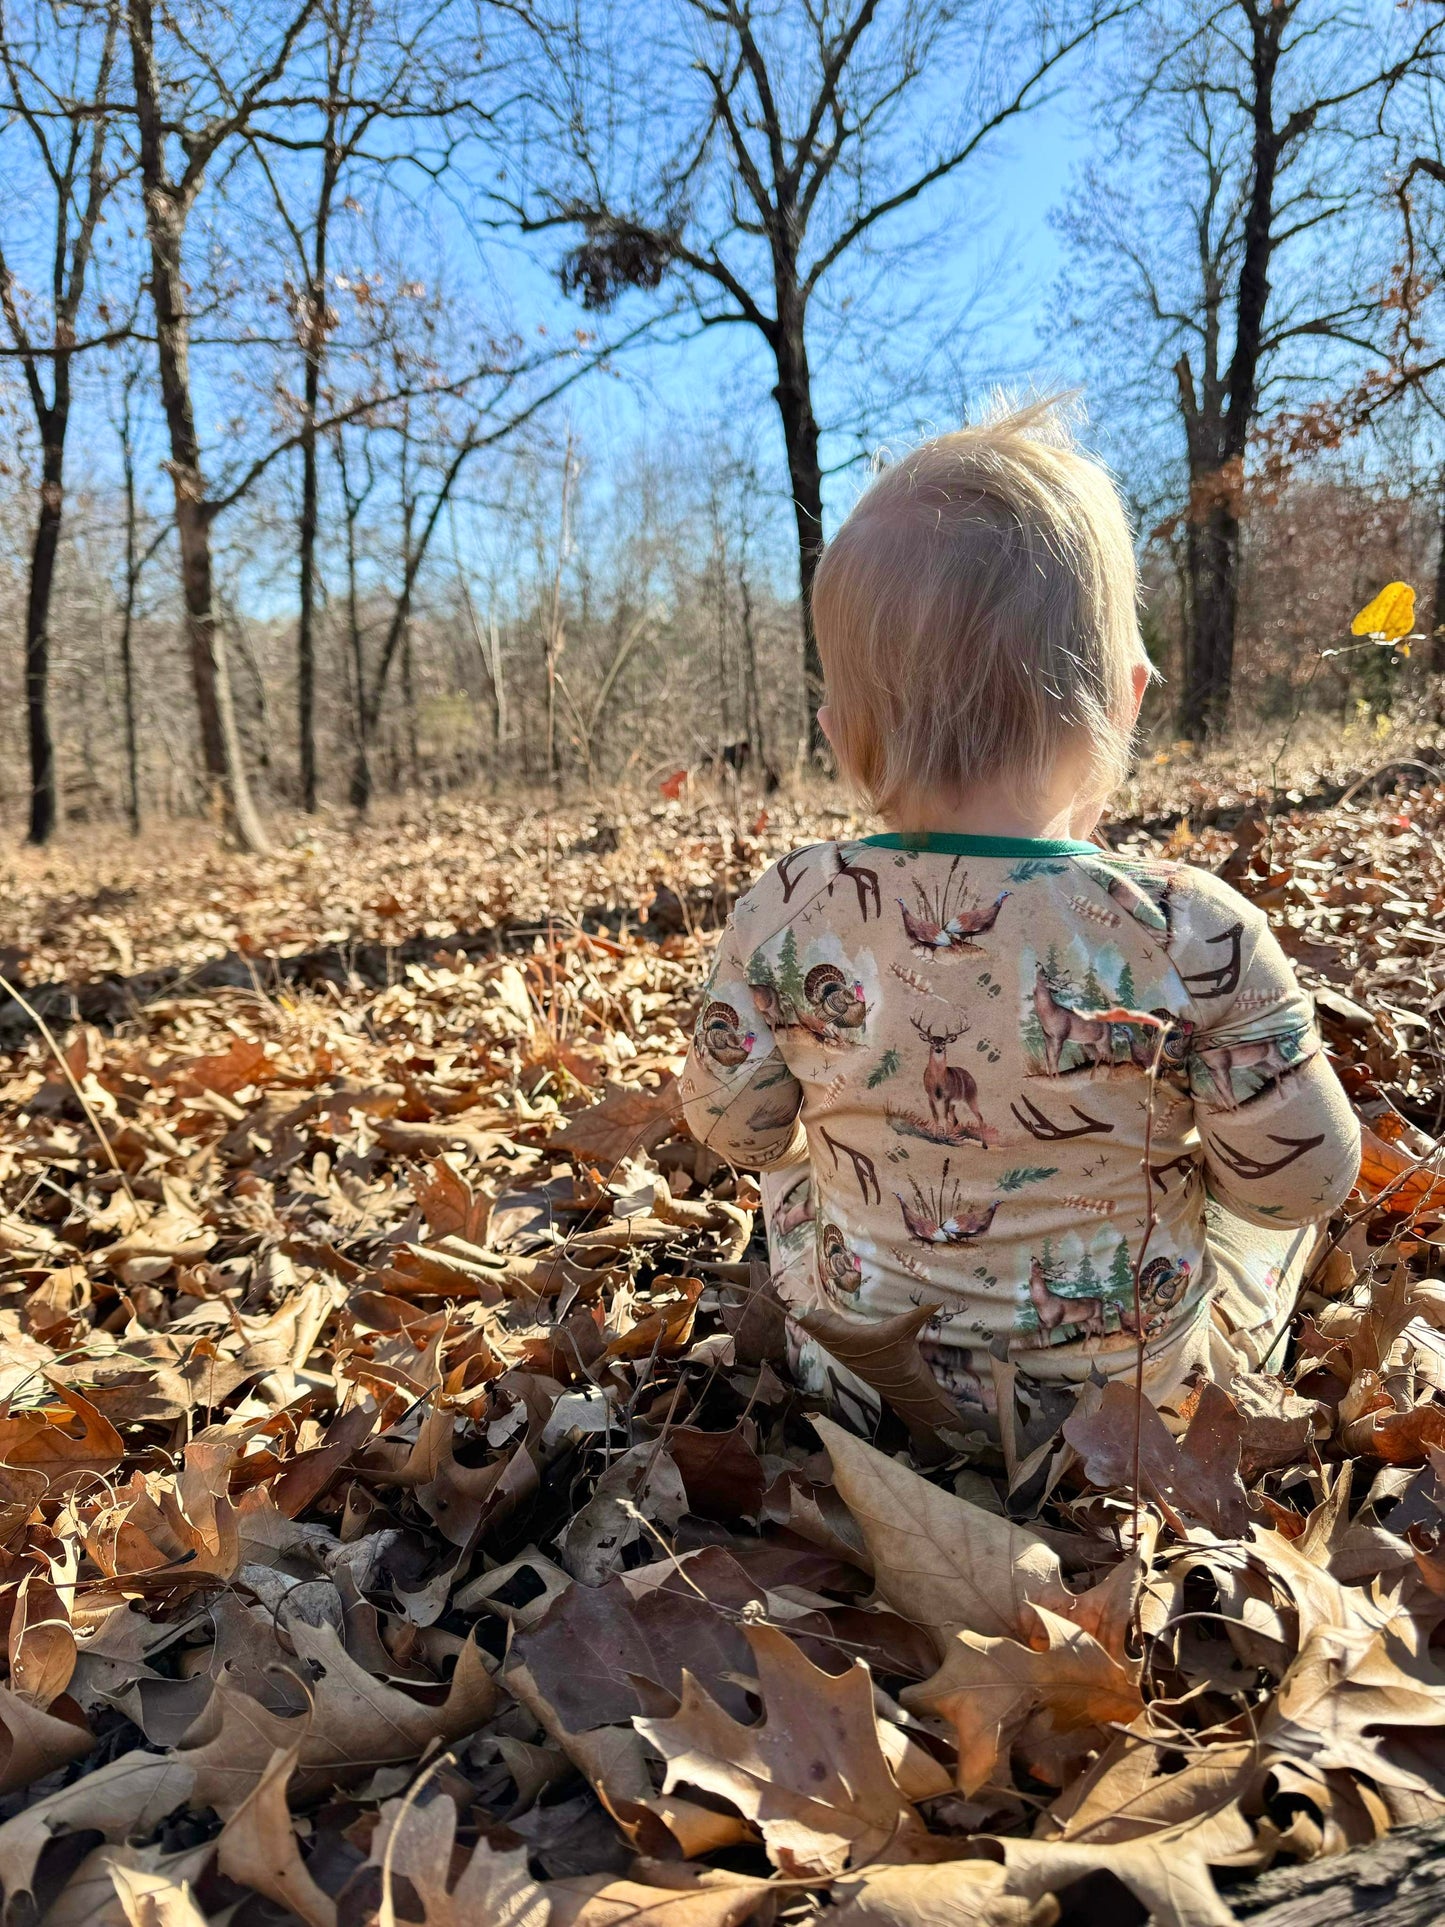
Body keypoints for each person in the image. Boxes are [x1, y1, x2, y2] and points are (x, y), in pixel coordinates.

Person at [678, 399, 1360, 1442]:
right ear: (1126, 700)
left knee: (784, 1171)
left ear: (837, 737)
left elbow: (732, 1129)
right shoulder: (1190, 929)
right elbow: (1304, 1180)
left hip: (863, 1389)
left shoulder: (785, 906)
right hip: (1132, 1412)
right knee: (1263, 1228)